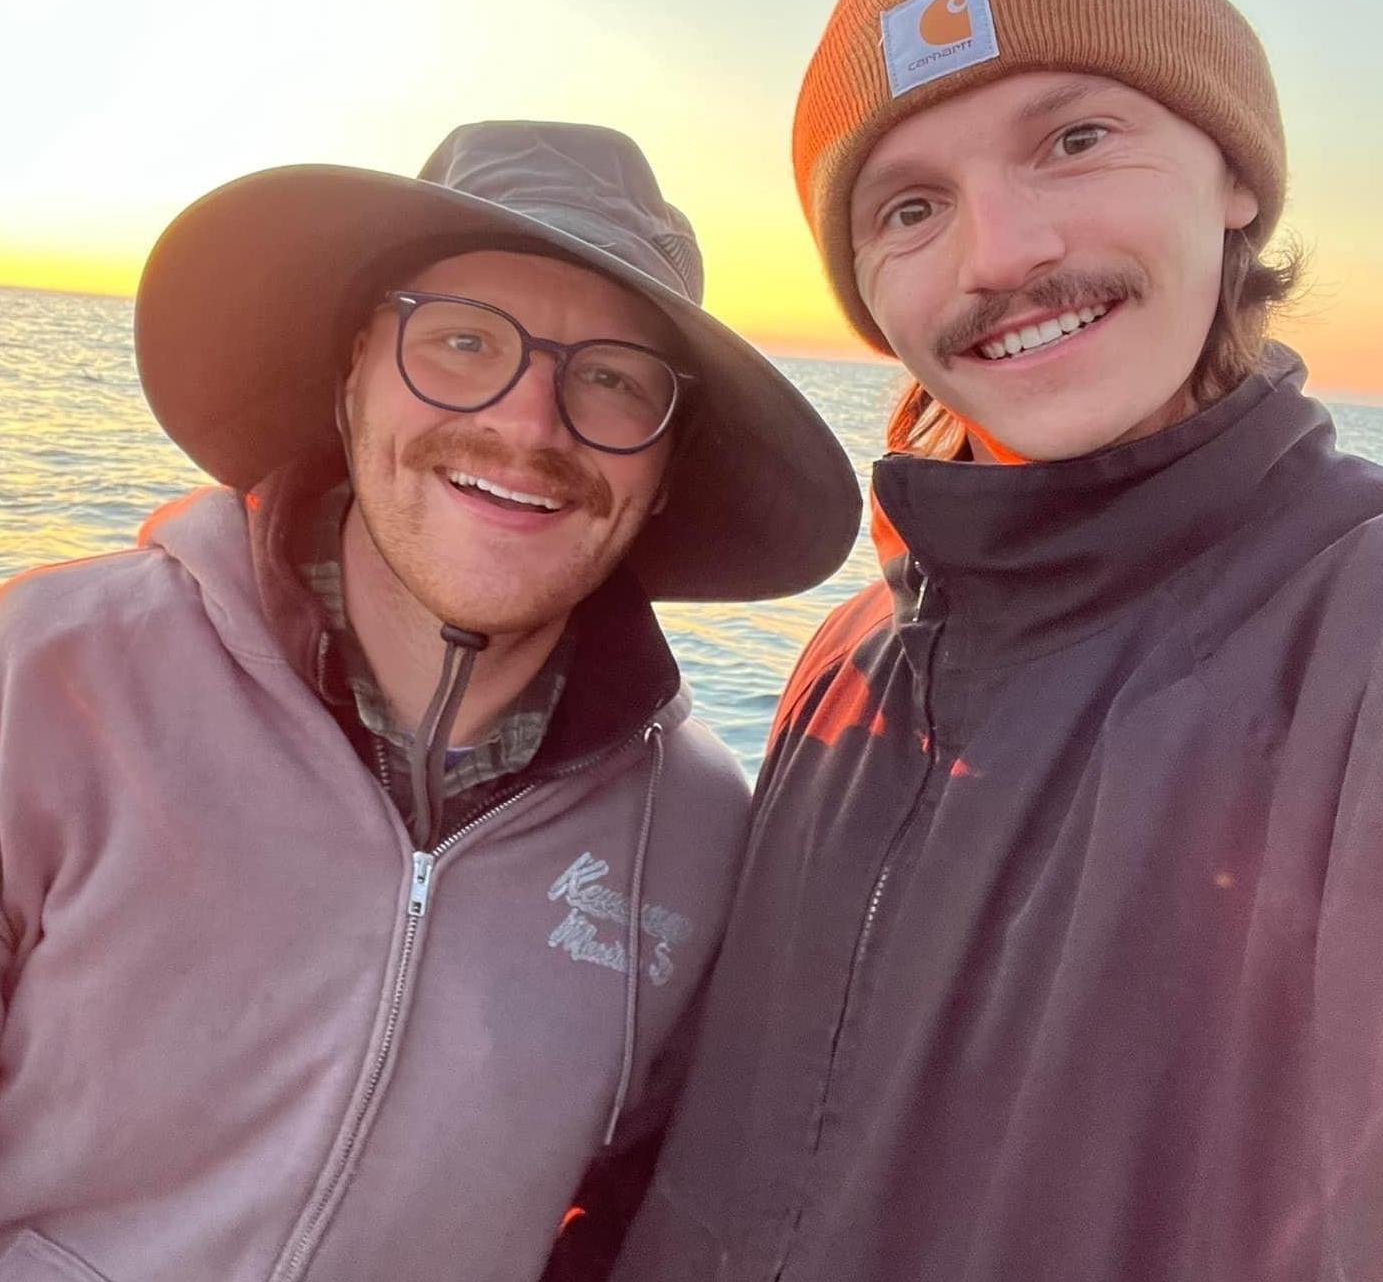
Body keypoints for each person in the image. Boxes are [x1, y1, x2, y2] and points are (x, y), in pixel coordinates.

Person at [613, 0, 1383, 1282]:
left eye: (1076, 138)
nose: (998, 253)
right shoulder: (845, 671)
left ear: (1236, 177)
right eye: (910, 205)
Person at [0, 121, 860, 1282]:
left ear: (665, 467)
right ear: (351, 371)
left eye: (610, 379)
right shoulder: (51, 675)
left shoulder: (703, 837)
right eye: (460, 342)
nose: (526, 423)